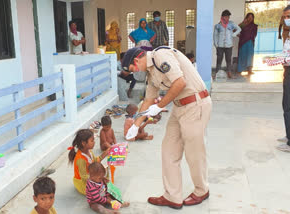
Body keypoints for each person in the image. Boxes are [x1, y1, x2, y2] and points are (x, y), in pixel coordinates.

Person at [122, 47, 212, 209]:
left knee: (194, 153)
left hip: (195, 104)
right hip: (179, 107)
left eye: (132, 69)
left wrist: (160, 106)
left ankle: (201, 190)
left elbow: (180, 82)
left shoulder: (160, 56)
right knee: (168, 151)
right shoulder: (151, 73)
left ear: (136, 61)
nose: (135, 72)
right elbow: (149, 100)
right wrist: (136, 125)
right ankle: (173, 196)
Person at [68, 129, 110, 195]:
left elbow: (95, 161)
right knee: (97, 192)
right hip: (82, 182)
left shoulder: (89, 151)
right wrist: (99, 178)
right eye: (92, 140)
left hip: (92, 176)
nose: (94, 142)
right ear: (84, 143)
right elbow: (84, 177)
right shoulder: (80, 159)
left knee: (105, 168)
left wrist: (105, 153)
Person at [213, 10, 241, 79]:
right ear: (222, 17)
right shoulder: (218, 25)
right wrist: (216, 44)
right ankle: (217, 74)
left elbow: (239, 29)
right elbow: (215, 35)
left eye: (228, 17)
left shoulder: (231, 24)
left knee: (228, 60)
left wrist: (234, 34)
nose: (228, 18)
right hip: (220, 46)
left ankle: (229, 73)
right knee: (219, 60)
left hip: (229, 46)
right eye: (226, 16)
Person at [277, 5, 290, 153]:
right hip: (287, 70)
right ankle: (288, 136)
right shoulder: (287, 33)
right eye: (285, 17)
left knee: (288, 106)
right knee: (286, 105)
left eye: (289, 16)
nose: (287, 20)